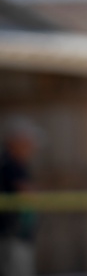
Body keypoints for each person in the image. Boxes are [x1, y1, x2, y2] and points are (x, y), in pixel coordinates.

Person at [0, 117, 41, 276]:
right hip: (12, 236)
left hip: (16, 236)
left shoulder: (14, 164)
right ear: (15, 142)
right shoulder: (10, 165)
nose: (32, 147)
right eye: (27, 142)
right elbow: (26, 193)